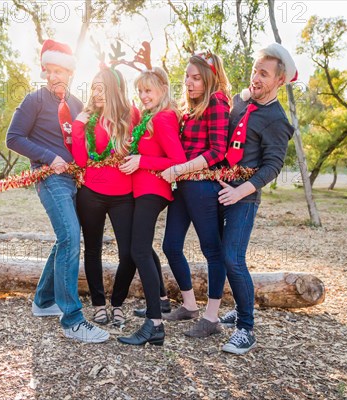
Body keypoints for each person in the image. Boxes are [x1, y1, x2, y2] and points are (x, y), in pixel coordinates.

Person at [6, 39, 109, 343]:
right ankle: (73, 320)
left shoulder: (77, 105)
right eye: (49, 71)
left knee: (65, 237)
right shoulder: (34, 100)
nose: (54, 77)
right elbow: (13, 138)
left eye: (60, 71)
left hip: (76, 180)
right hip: (50, 178)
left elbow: (85, 140)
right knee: (69, 238)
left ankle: (42, 301)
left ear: (70, 73)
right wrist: (49, 157)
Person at [217, 43, 296, 354]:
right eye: (254, 71)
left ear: (279, 80)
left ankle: (246, 328)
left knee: (233, 258)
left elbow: (273, 166)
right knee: (222, 255)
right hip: (220, 189)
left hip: (244, 197)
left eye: (264, 74)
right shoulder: (242, 102)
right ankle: (240, 304)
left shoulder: (277, 120)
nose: (255, 78)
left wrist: (240, 191)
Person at [161, 51, 231, 338]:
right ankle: (189, 304)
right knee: (171, 245)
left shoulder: (217, 102)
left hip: (202, 185)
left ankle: (211, 316)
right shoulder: (190, 107)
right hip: (184, 185)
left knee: (212, 250)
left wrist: (180, 169)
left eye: (196, 78)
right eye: (186, 77)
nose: (188, 83)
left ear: (210, 79)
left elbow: (217, 151)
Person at [116, 67, 187, 346]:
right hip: (140, 189)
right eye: (140, 91)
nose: (143, 96)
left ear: (162, 90)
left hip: (153, 190)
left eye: (148, 90)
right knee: (142, 247)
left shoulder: (165, 117)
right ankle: (162, 301)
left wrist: (142, 161)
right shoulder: (149, 117)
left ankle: (155, 325)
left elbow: (178, 161)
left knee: (138, 250)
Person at [71, 67, 139, 327]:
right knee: (93, 251)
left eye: (102, 87)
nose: (96, 93)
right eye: (94, 87)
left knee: (129, 254)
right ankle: (99, 304)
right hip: (91, 193)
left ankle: (118, 303)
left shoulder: (131, 114)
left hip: (124, 194)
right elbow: (80, 160)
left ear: (114, 89)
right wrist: (79, 124)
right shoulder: (89, 118)